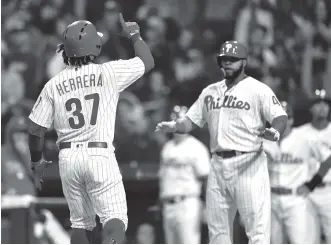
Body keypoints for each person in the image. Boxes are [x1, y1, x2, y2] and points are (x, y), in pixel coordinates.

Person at [27, 14, 154, 244]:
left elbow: (35, 129)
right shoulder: (108, 72)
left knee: (81, 223)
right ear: (94, 46)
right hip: (98, 153)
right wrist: (134, 35)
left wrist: (36, 161)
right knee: (114, 219)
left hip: (68, 158)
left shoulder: (53, 84)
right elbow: (148, 61)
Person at [156, 40, 288, 243]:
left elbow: (280, 116)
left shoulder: (258, 89)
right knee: (217, 233)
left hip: (249, 162)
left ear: (244, 62)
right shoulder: (210, 91)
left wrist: (275, 132)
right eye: (224, 60)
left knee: (257, 232)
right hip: (218, 164)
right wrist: (175, 126)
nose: (227, 64)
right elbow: (191, 120)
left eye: (232, 60)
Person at [263, 101, 320, 243]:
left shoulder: (305, 138)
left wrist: (312, 184)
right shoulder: (264, 140)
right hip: (272, 200)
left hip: (296, 201)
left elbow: (328, 159)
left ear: (291, 120)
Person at [159, 105, 210, 244]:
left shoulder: (196, 147)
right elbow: (163, 179)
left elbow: (206, 179)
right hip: (168, 204)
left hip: (188, 203)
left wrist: (207, 206)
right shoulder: (167, 147)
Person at [296, 89, 331, 243]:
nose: (322, 107)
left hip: (329, 190)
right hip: (306, 194)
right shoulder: (299, 133)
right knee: (307, 240)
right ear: (310, 108)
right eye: (317, 103)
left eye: (325, 103)